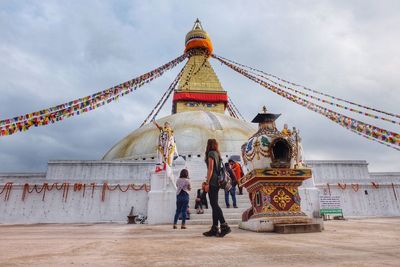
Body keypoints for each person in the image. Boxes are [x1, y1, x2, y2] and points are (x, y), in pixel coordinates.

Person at [203, 139, 231, 237]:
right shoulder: (217, 154)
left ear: (208, 145)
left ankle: (224, 225)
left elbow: (210, 169)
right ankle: (215, 228)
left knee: (214, 205)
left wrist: (207, 183)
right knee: (214, 205)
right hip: (217, 182)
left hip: (213, 182)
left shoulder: (211, 153)